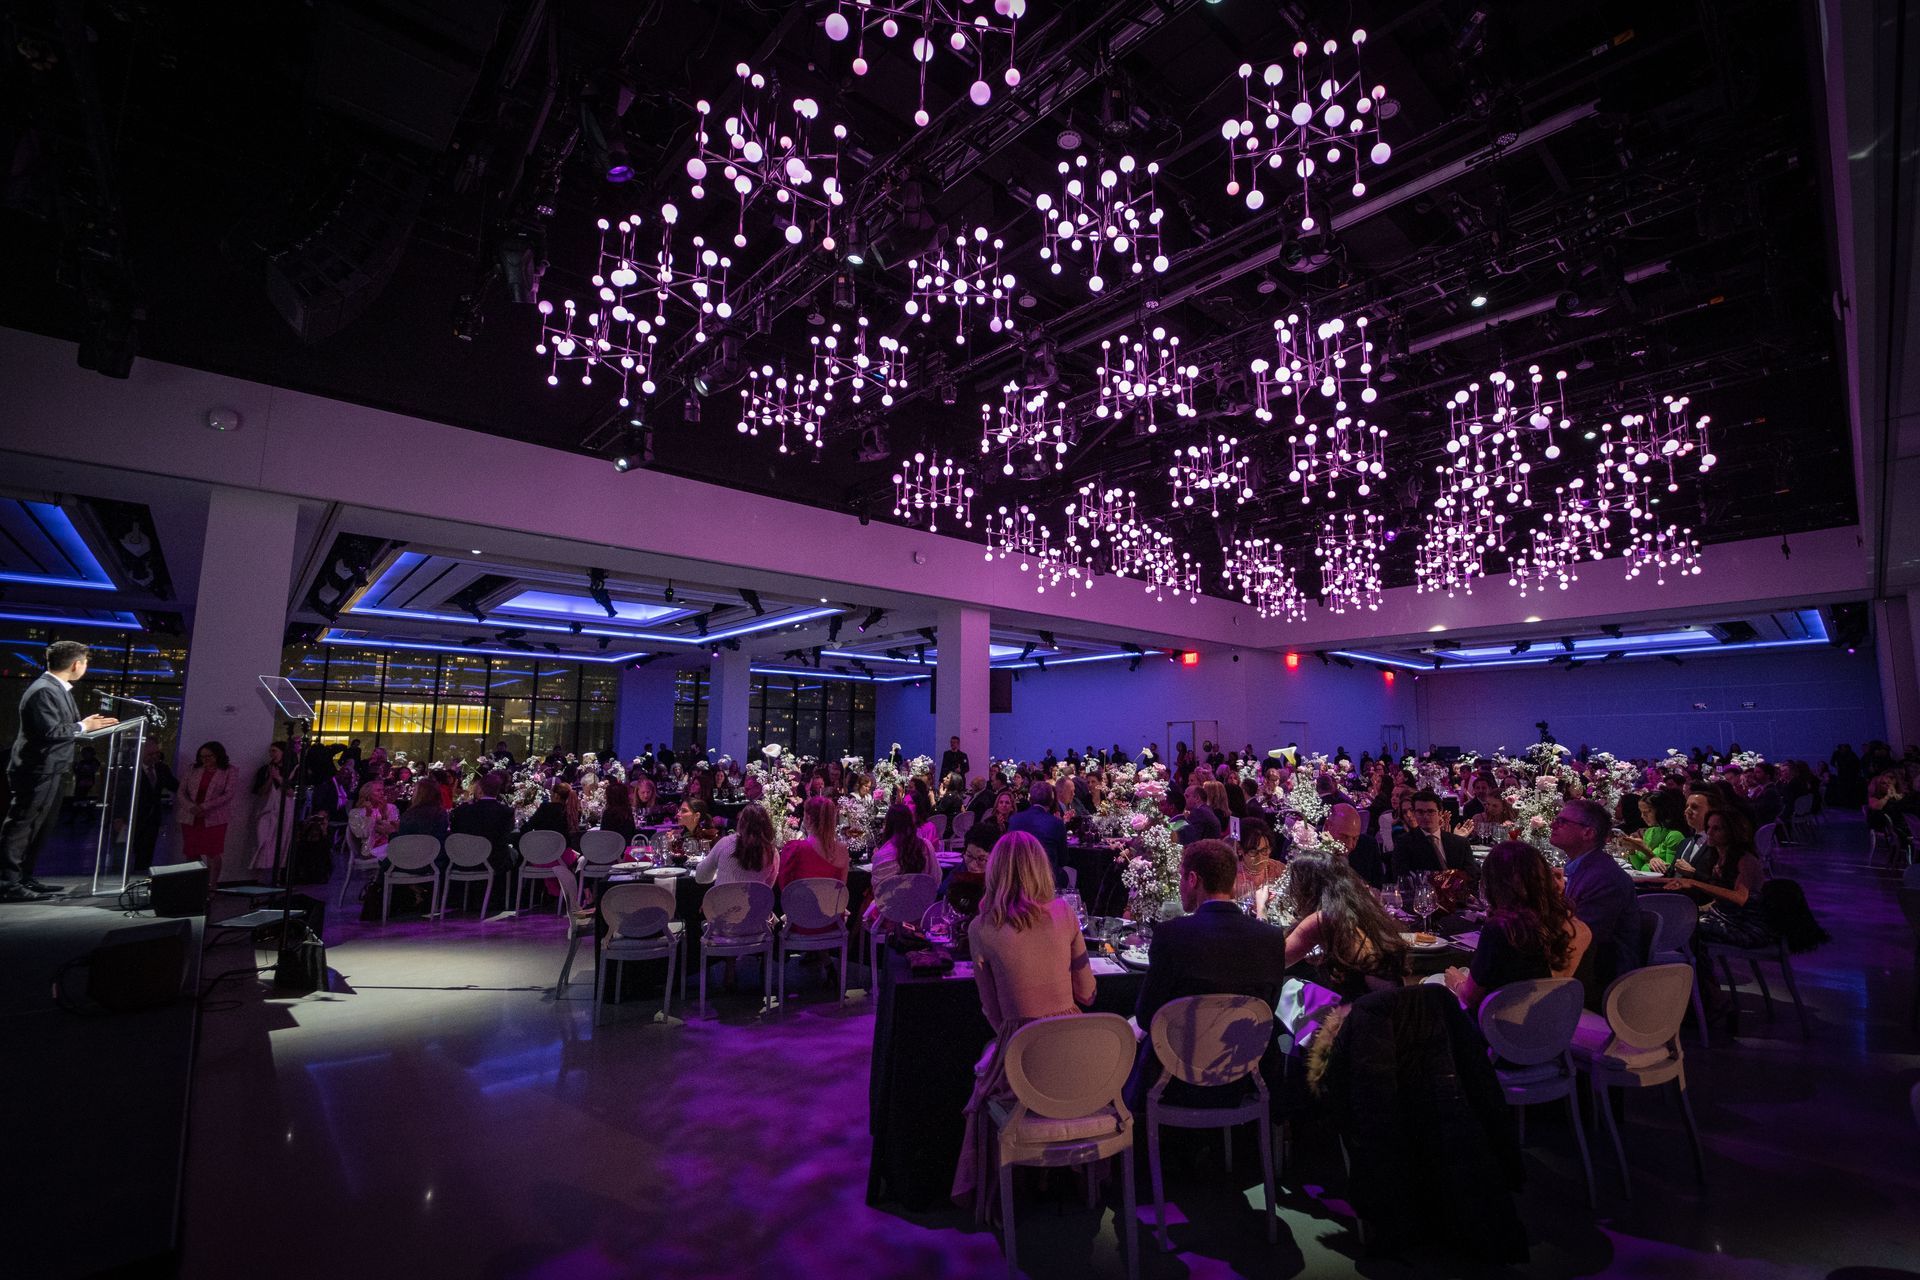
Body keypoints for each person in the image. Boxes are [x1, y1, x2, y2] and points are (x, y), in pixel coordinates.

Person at [952, 831, 1096, 1219]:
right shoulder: (1065, 914)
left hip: (1022, 1056)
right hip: (1074, 1061)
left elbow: (994, 1014)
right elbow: (1087, 994)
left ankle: (1004, 1192)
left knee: (984, 1079)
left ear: (995, 871)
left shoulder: (981, 928)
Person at [1132, 839, 1291, 1104]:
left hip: (1175, 1082)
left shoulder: (1171, 935)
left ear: (1193, 879)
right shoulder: (1271, 938)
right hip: (1243, 1079)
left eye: (1181, 878)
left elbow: (1147, 1016)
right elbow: (1267, 1013)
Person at [0, 641, 117, 900]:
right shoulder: (44, 690)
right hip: (37, 769)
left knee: (39, 827)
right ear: (76, 664)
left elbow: (65, 727)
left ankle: (24, 878)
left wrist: (86, 726)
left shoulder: (57, 689)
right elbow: (50, 731)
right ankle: (8, 884)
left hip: (52, 768)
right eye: (85, 663)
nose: (85, 667)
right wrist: (83, 727)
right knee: (22, 825)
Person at [1441, 841, 1592, 1016]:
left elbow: (1471, 998)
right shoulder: (1577, 929)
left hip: (1499, 1024)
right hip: (1551, 1022)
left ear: (1495, 884)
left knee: (1434, 996)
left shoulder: (1502, 928)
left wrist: (1456, 982)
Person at [1280, 851, 1409, 999]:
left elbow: (1276, 962)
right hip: (1393, 1000)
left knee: (1290, 990)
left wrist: (1261, 910)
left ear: (1306, 888)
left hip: (1366, 1006)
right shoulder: (1360, 908)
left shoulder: (1323, 919)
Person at [1552, 797, 1640, 1004]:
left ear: (1588, 833)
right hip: (1585, 965)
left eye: (1562, 821)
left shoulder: (1605, 878)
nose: (1553, 824)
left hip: (1600, 981)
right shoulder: (1584, 867)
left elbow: (1579, 937)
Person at [449, 770, 516, 913]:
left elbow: (454, 832)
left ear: (479, 789)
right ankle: (505, 899)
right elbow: (506, 836)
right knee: (514, 853)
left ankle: (463, 898)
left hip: (463, 858)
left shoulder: (462, 810)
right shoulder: (506, 812)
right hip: (493, 860)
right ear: (498, 790)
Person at [178, 741, 238, 890]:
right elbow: (181, 791)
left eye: (209, 756)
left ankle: (211, 886)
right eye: (202, 756)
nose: (205, 760)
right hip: (191, 817)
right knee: (191, 852)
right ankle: (195, 886)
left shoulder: (229, 771)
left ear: (218, 755)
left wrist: (205, 807)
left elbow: (228, 794)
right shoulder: (193, 769)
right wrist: (191, 807)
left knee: (213, 852)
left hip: (214, 818)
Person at [1391, 789, 1477, 884]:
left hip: (1458, 891)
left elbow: (1472, 875)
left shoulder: (1460, 843)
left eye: (1430, 811)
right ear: (1415, 814)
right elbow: (1402, 877)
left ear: (1440, 813)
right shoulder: (1404, 843)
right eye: (1420, 812)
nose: (1425, 816)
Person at [695, 801, 782, 887]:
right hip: (753, 896)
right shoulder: (772, 853)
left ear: (741, 822)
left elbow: (700, 877)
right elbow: (767, 887)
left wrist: (717, 875)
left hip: (724, 896)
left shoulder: (725, 843)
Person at [249, 741, 299, 875]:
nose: (271, 754)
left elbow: (292, 793)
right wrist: (270, 778)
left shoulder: (294, 770)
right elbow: (260, 792)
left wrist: (278, 778)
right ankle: (260, 873)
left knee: (281, 840)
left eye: (274, 751)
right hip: (266, 809)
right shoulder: (265, 770)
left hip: (285, 810)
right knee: (262, 838)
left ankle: (274, 874)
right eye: (270, 751)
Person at [1005, 780, 1068, 883]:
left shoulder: (1014, 819)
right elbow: (1063, 860)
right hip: (1046, 879)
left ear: (1030, 799)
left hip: (1018, 878)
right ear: (1051, 801)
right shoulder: (1056, 823)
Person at [1324, 802, 1390, 887]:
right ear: (1327, 827)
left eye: (1355, 838)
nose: (1350, 845)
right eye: (1344, 837)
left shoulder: (1368, 846)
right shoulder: (1312, 846)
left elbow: (1378, 886)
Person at [870, 801, 936, 885]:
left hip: (891, 894)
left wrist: (876, 857)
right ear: (911, 822)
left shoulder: (882, 855)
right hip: (923, 893)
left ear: (888, 825)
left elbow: (877, 887)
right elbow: (936, 880)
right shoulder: (926, 846)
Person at [1619, 789, 1687, 870]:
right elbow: (1640, 868)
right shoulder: (1649, 832)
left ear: (1661, 811)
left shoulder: (1674, 836)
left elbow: (1670, 872)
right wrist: (1631, 849)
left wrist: (1644, 850)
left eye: (1647, 812)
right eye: (1641, 812)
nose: (1642, 816)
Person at [966, 786, 1016, 858]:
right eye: (1001, 802)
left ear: (1012, 807)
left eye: (1007, 803)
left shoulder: (1015, 823)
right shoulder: (989, 822)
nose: (1004, 805)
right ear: (997, 806)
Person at [598, 778, 638, 842]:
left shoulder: (607, 813)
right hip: (627, 846)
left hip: (611, 847)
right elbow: (633, 833)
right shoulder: (627, 813)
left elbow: (603, 834)